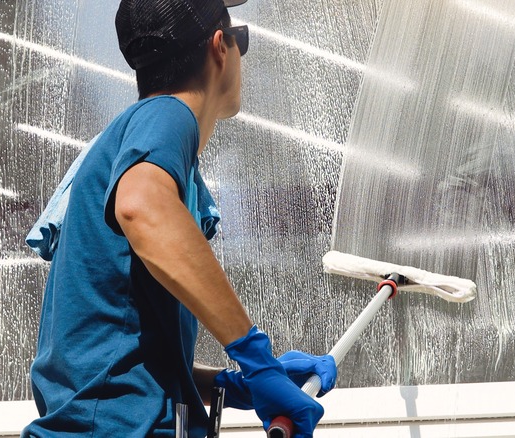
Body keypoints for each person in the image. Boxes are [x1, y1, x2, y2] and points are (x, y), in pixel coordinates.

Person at [22, 0, 337, 436]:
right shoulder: (166, 115)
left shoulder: (135, 142)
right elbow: (140, 206)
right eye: (239, 39)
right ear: (219, 49)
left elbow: (122, 361)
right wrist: (254, 356)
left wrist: (233, 383)